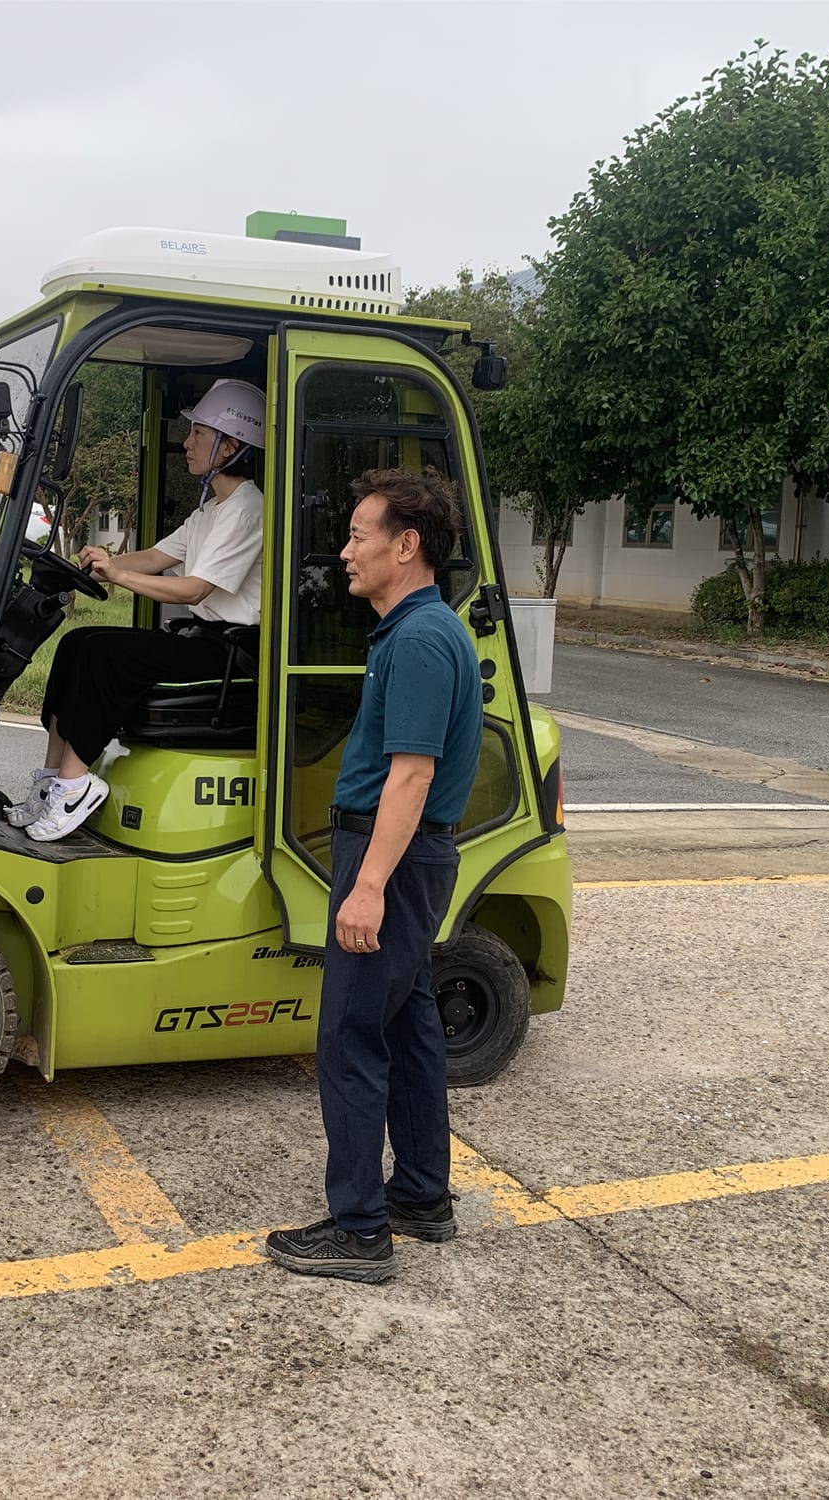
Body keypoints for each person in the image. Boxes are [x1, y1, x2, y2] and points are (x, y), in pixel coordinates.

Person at [264, 468, 483, 1284]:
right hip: (407, 855)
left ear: (407, 544)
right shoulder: (417, 629)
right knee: (406, 1024)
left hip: (391, 856)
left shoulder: (424, 640)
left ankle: (359, 1230)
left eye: (360, 535)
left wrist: (366, 886)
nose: (346, 550)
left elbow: (412, 776)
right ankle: (422, 1195)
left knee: (350, 1034)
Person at [9, 378, 266, 841]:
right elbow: (155, 557)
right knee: (76, 643)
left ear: (231, 446)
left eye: (198, 435)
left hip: (232, 652)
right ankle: (51, 782)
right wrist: (90, 565)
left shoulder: (247, 508)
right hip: (204, 640)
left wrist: (120, 576)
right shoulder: (212, 508)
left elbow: (193, 589)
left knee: (107, 656)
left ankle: (75, 784)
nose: (186, 444)